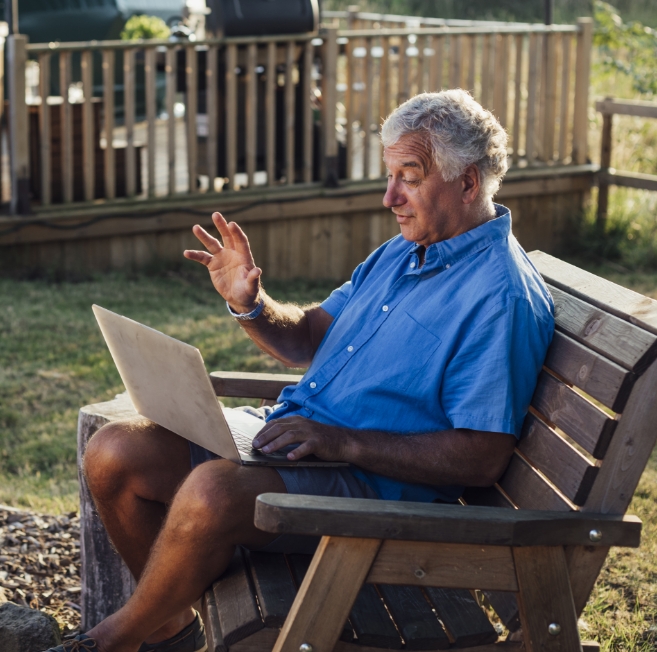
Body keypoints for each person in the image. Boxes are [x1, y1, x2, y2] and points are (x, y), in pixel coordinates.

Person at [48, 89, 553, 652]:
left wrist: (341, 442)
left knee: (213, 492)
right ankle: (171, 632)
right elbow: (309, 335)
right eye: (390, 176)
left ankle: (106, 642)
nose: (390, 198)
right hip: (298, 442)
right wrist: (250, 303)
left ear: (468, 182)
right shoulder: (401, 253)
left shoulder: (499, 296)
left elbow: (482, 457)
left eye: (409, 177)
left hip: (373, 494)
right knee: (115, 453)